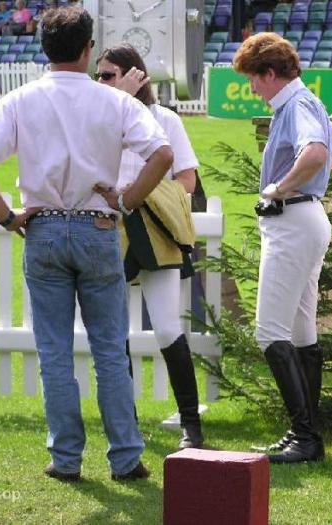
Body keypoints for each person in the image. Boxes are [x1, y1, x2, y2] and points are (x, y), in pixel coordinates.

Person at [0, 6, 173, 482]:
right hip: (98, 227)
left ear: (45, 48)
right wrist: (127, 200)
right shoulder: (115, 102)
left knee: (54, 352)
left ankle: (65, 458)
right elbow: (162, 154)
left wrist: (6, 216)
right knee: (109, 351)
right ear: (88, 49)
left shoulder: (21, 99)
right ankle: (125, 457)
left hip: (44, 228)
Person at [233, 33, 332, 464]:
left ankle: (304, 436)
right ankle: (307, 434)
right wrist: (307, 187)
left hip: (292, 221)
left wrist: (281, 187)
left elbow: (318, 153)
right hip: (308, 217)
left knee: (270, 332)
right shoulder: (306, 101)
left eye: (253, 81)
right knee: (301, 334)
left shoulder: (295, 106)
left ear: (270, 73)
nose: (253, 90)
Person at [95, 44, 205, 450]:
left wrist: (137, 195)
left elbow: (187, 181)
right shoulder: (98, 120)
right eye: (99, 75)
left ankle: (191, 427)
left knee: (167, 326)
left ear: (135, 75)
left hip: (155, 230)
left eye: (108, 75)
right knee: (113, 332)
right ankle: (127, 424)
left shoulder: (165, 120)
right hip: (107, 231)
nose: (100, 82)